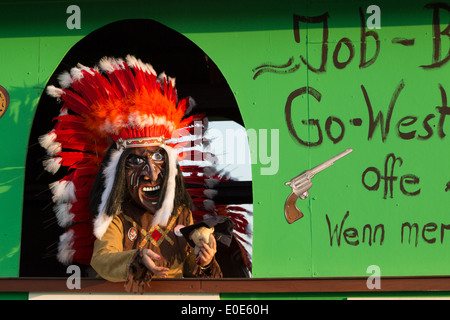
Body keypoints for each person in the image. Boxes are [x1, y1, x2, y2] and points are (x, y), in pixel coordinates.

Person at [39, 56, 224, 292]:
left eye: (158, 158)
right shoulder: (117, 219)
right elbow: (102, 259)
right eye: (137, 160)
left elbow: (190, 270)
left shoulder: (182, 216)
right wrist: (135, 259)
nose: (151, 174)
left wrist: (204, 260)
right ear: (120, 174)